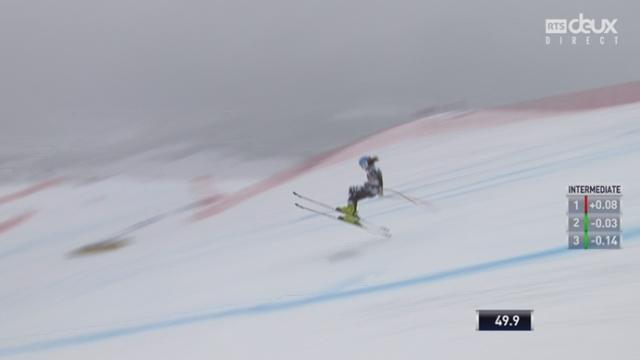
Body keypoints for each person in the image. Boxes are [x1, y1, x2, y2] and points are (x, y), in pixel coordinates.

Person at [336, 155, 383, 222]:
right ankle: (352, 215)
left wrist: (369, 185)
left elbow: (375, 182)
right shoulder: (373, 169)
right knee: (355, 196)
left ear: (365, 164)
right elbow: (379, 181)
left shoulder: (372, 170)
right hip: (373, 190)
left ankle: (350, 210)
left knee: (352, 189)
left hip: (371, 190)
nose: (362, 167)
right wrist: (380, 191)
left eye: (362, 165)